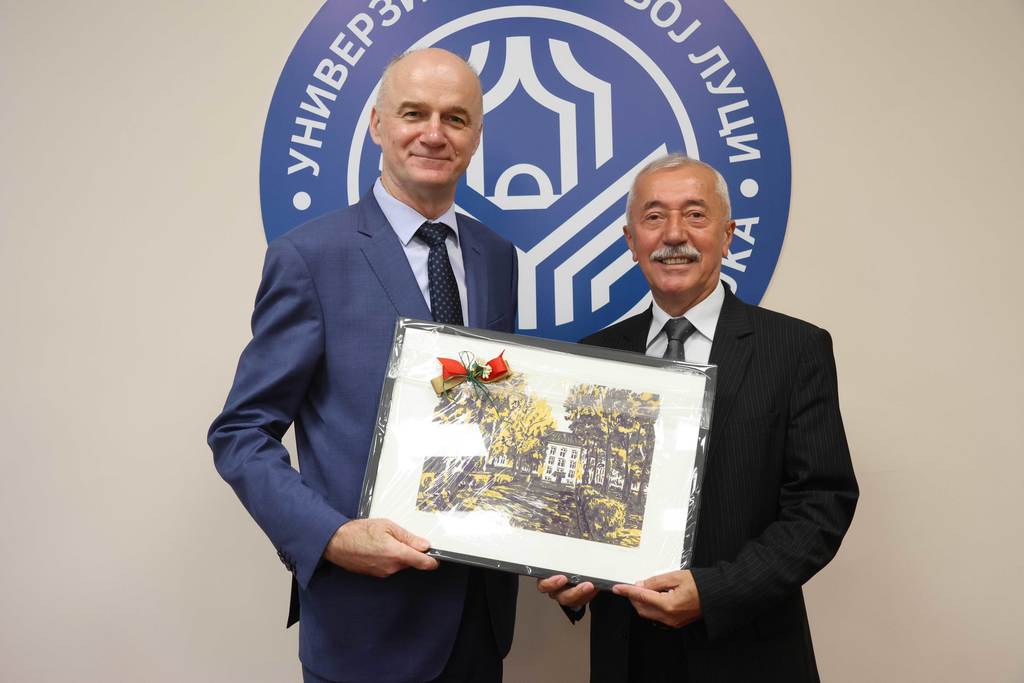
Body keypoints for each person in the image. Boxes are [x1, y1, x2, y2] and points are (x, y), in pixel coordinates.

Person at [208, 48, 518, 683]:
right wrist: (331, 538)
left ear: (476, 136)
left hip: (479, 619)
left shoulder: (497, 256)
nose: (434, 133)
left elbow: (496, 410)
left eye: (456, 118)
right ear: (378, 124)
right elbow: (240, 434)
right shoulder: (309, 257)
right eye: (414, 113)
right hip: (365, 627)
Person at [537, 153, 858, 682]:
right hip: (628, 655)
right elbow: (575, 501)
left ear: (727, 235)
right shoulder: (594, 358)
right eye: (654, 216)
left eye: (695, 214)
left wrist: (715, 593)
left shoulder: (794, 348)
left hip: (749, 653)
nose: (674, 235)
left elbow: (821, 505)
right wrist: (570, 575)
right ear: (631, 240)